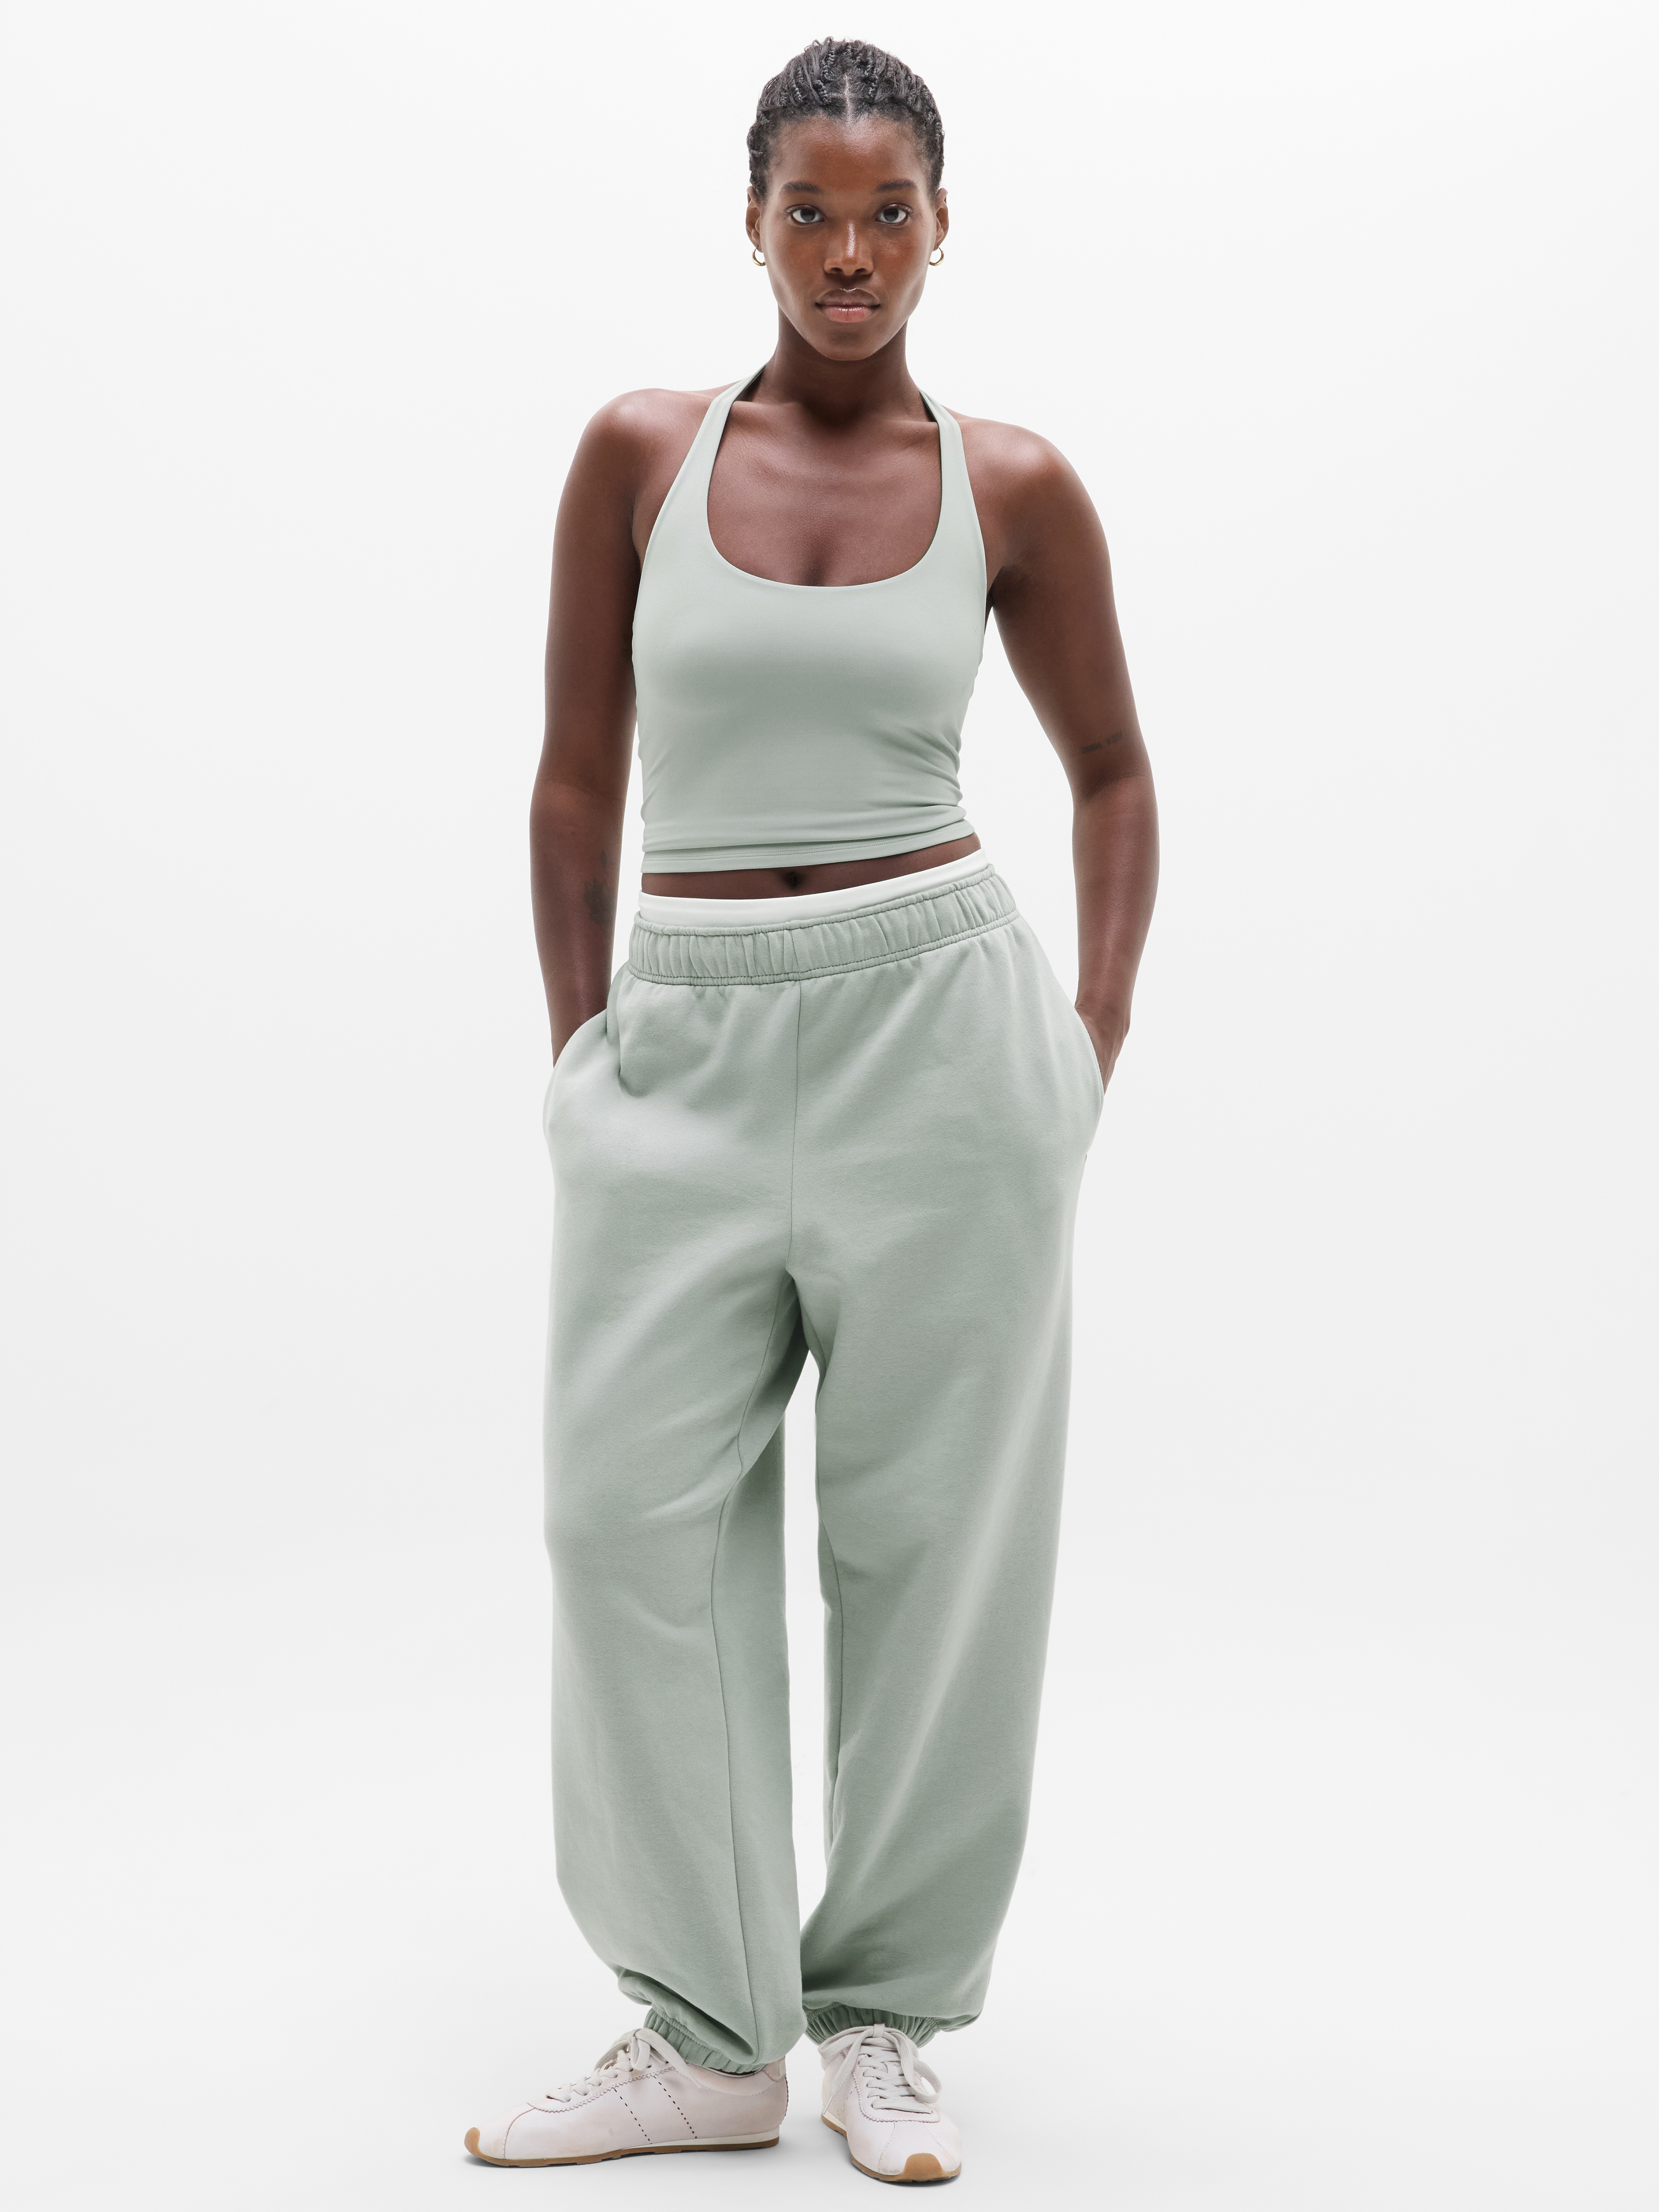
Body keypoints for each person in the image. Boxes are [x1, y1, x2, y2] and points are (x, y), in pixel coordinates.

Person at [465, 37, 1158, 2185]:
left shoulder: (1014, 484)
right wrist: (582, 1056)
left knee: (936, 1547)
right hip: (677, 1040)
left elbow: (1115, 773)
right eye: (810, 213)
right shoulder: (640, 454)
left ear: (944, 229)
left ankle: (885, 2018)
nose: (850, 254)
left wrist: (1083, 1047)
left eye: (889, 214)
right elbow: (574, 777)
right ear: (751, 224)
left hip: (941, 1040)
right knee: (623, 1527)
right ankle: (705, 2033)